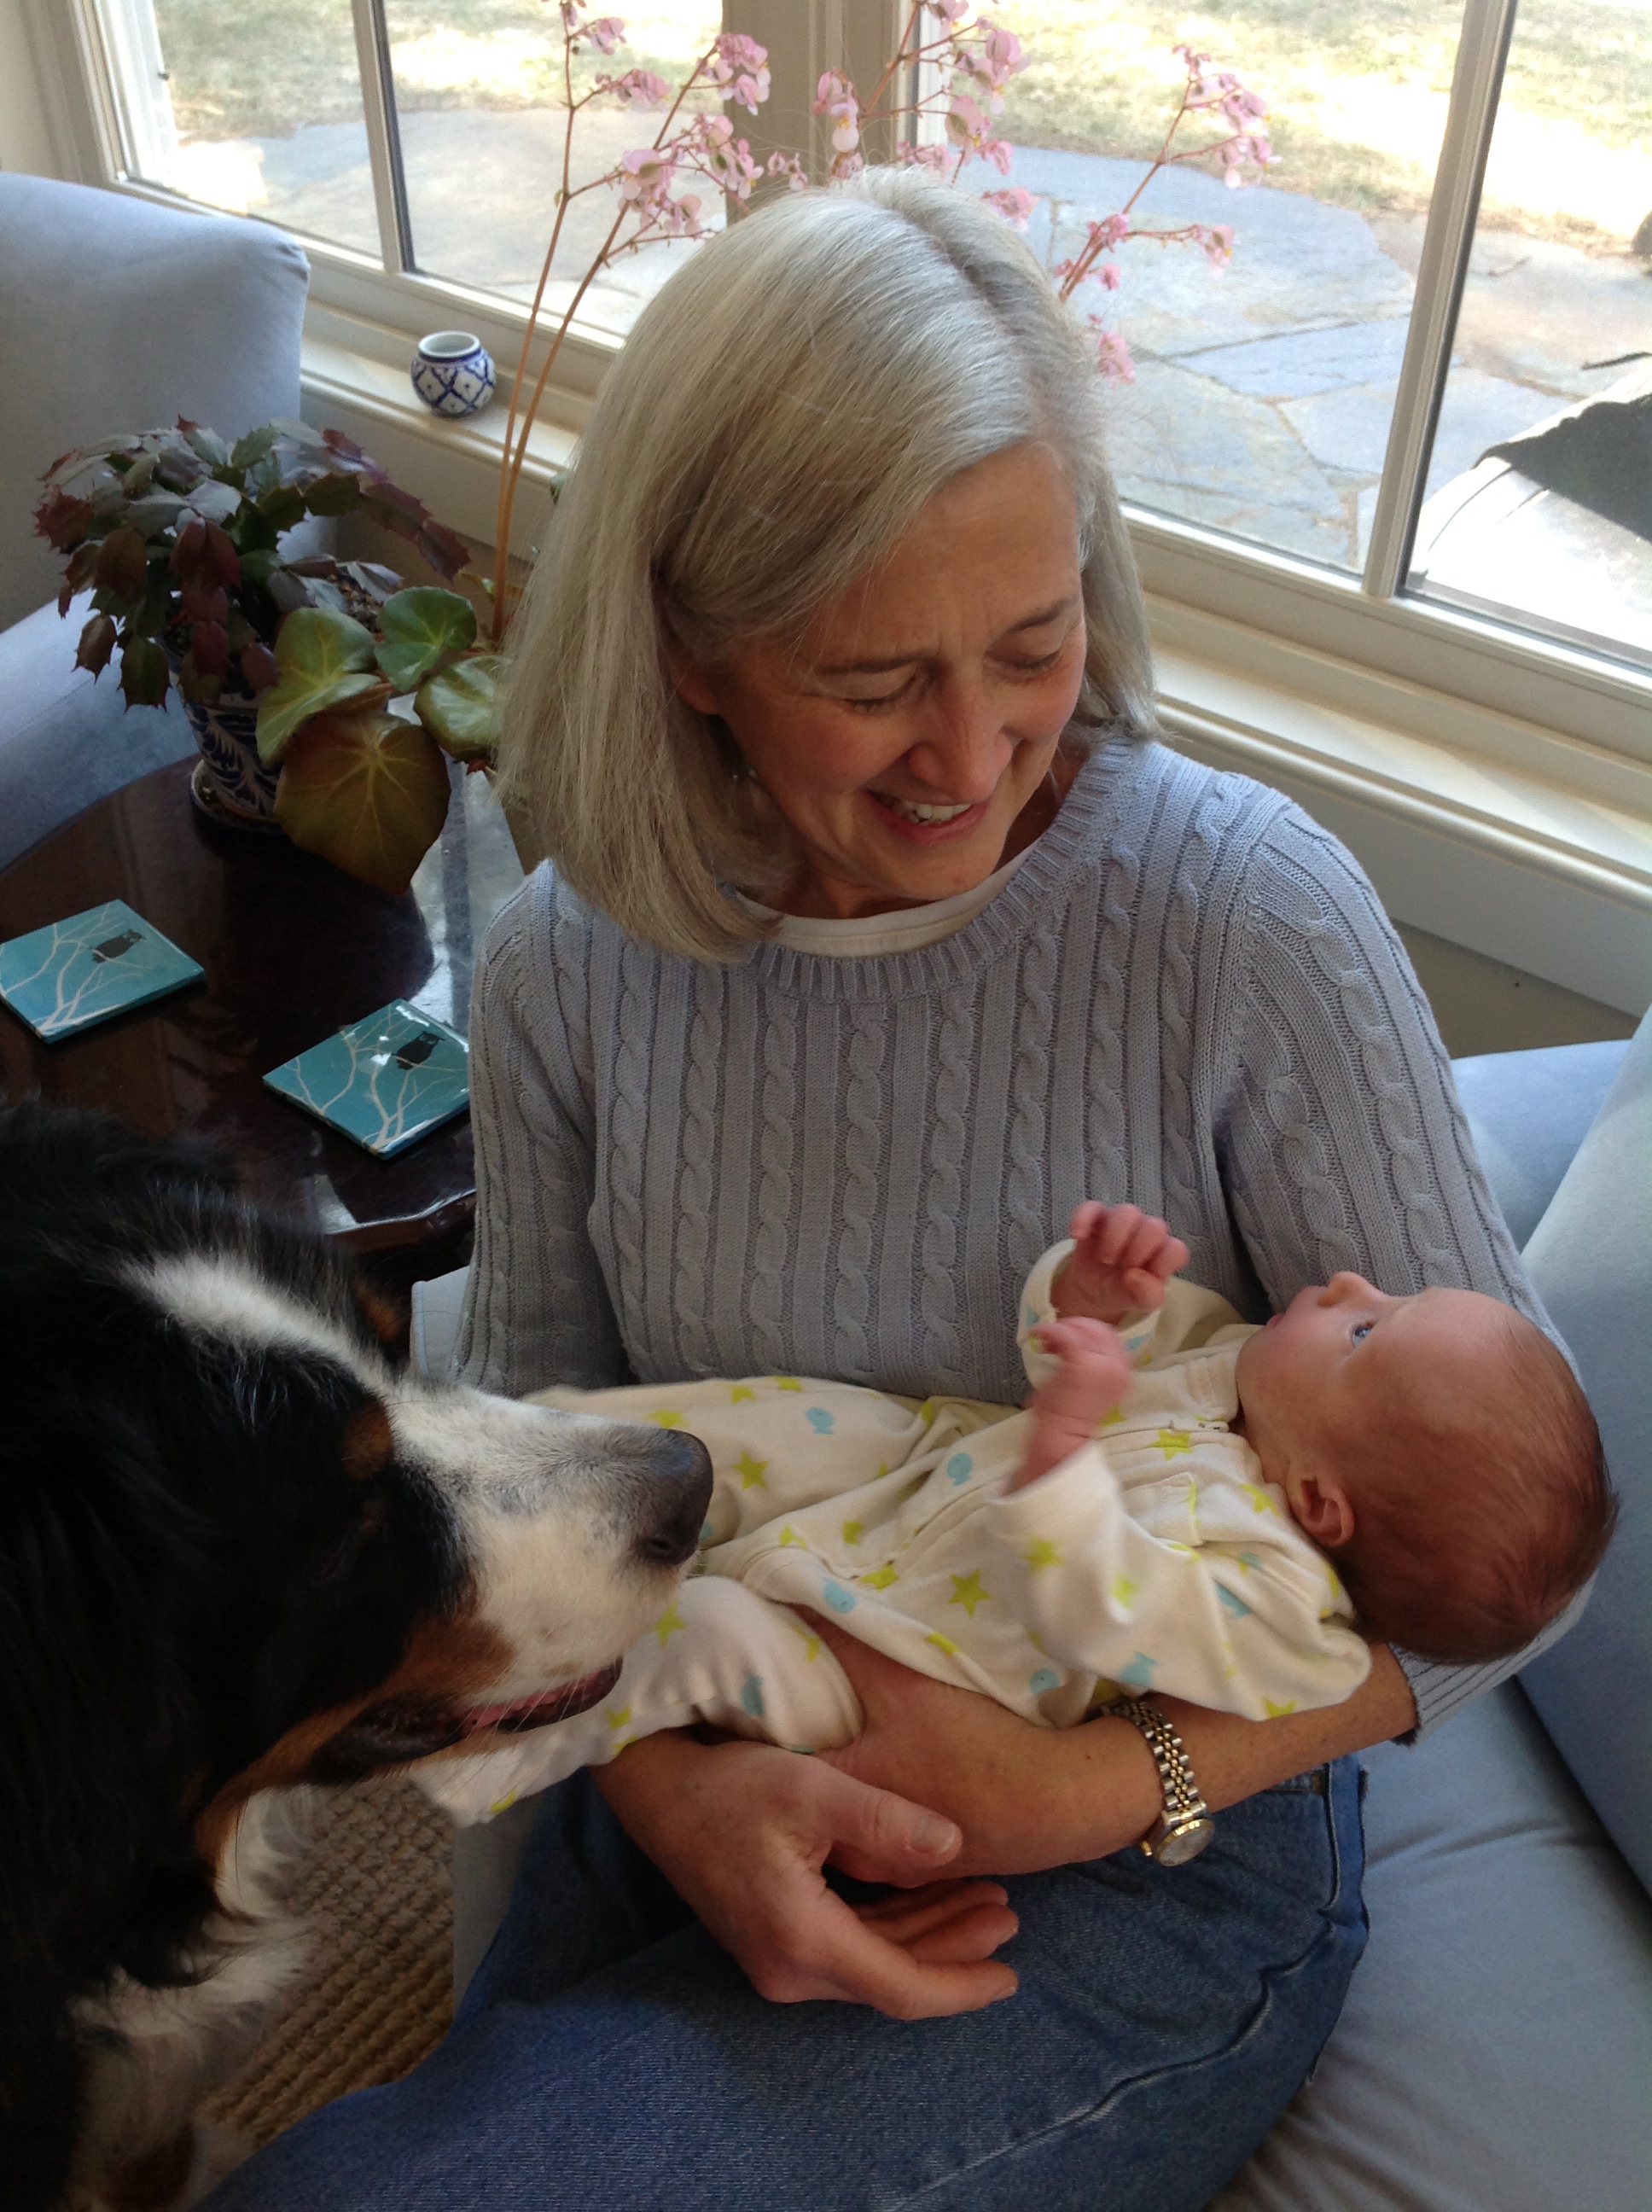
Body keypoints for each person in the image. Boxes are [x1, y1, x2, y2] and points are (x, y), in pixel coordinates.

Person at [204, 170, 1568, 2212]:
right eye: (870, 682)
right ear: (689, 652)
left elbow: (1518, 1566)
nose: (971, 752)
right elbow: (545, 1449)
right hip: (710, 1704)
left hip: (1143, 1844)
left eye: (1032, 643)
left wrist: (1080, 1787)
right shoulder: (575, 963)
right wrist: (668, 1797)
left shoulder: (1244, 921)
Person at [410, 1204, 1609, 1830]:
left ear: (1319, 1505)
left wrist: (1066, 1448)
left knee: (708, 1629)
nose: (1351, 1281)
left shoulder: (1285, 1613)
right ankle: (537, 1474)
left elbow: (1110, 1610)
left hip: (900, 1647)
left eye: (1366, 1330)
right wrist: (1093, 1302)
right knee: (760, 1427)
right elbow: (1080, 1357)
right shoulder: (1234, 1370)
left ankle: (494, 1750)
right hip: (913, 1475)